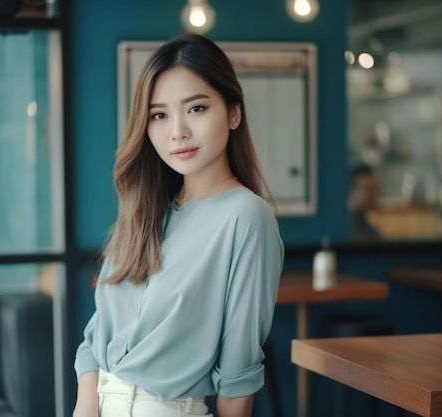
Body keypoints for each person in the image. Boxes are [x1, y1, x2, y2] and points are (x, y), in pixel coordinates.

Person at [73, 33, 284, 417]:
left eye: (197, 108)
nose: (177, 132)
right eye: (159, 115)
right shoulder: (143, 211)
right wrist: (85, 407)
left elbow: (238, 371)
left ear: (233, 112)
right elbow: (95, 338)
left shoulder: (246, 216)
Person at [348, 163, 382, 242]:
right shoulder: (343, 233)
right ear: (351, 192)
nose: (374, 194)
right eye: (368, 189)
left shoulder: (372, 233)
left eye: (375, 189)